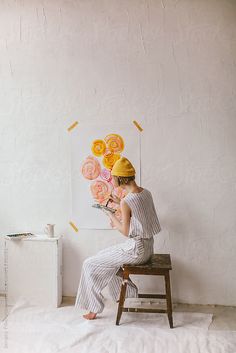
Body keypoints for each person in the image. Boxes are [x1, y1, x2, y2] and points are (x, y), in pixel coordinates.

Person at [75, 156, 161, 320]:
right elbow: (138, 210)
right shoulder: (145, 193)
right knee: (103, 258)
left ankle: (94, 308)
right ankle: (126, 296)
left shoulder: (127, 201)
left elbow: (125, 231)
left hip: (136, 251)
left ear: (120, 178)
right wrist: (119, 202)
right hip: (148, 247)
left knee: (89, 263)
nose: (112, 179)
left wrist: (109, 213)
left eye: (113, 176)